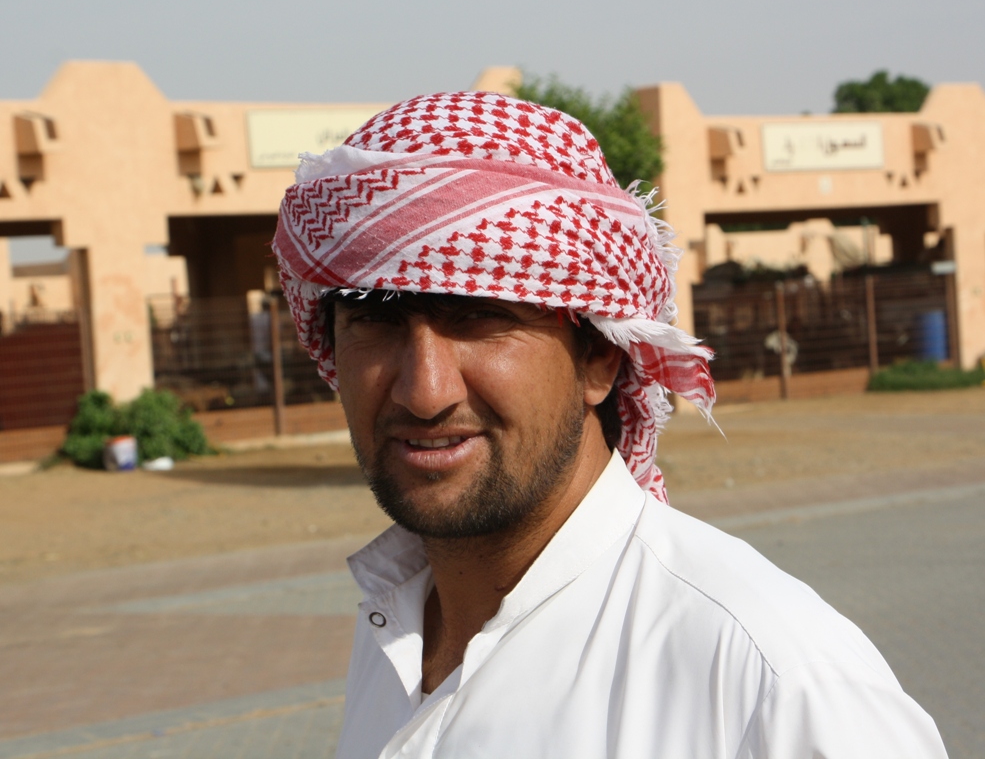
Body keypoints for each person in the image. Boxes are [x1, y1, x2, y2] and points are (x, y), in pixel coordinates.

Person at [272, 92, 948, 758]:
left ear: (600, 357)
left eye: (477, 320)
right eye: (374, 321)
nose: (423, 393)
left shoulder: (765, 675)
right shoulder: (397, 628)